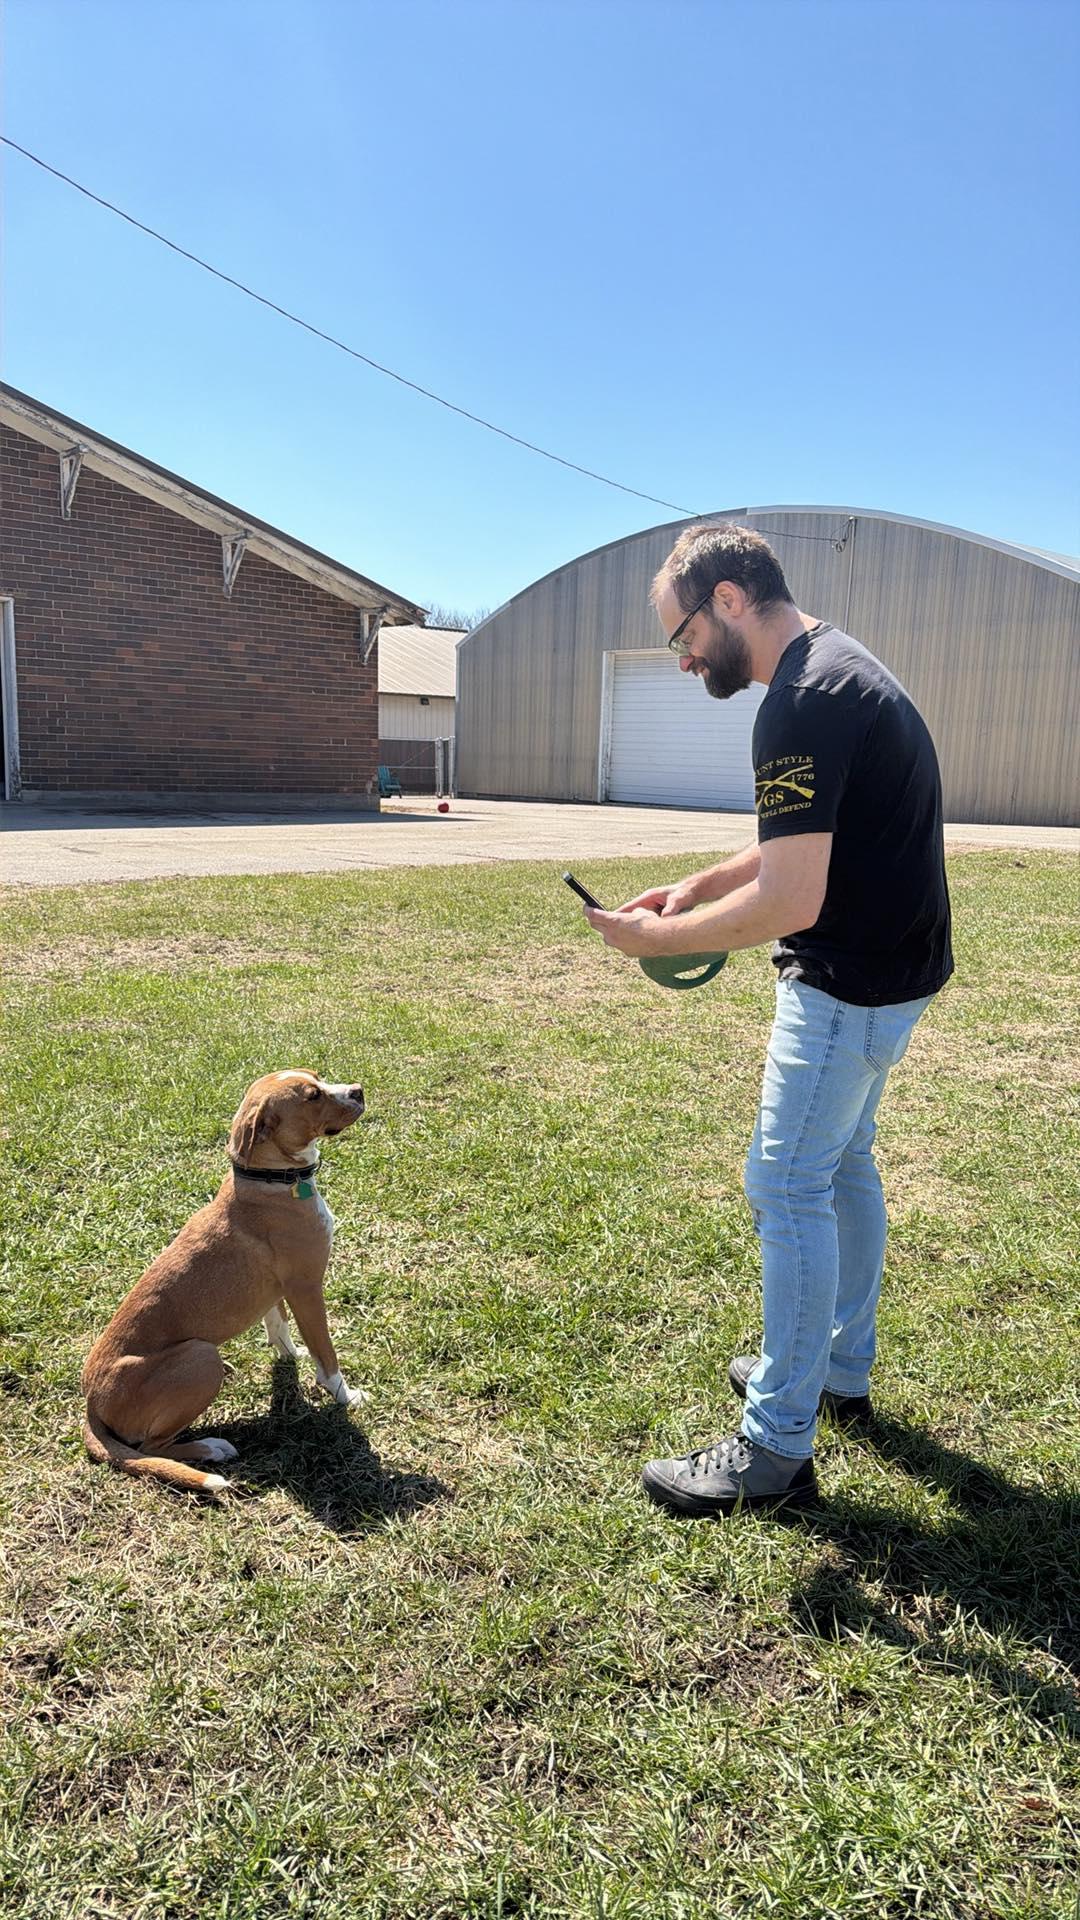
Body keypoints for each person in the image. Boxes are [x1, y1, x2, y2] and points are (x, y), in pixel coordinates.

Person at [582, 523, 953, 1518]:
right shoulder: (839, 669)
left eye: (684, 633)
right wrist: (694, 885)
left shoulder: (799, 702)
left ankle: (776, 1449)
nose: (686, 656)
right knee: (841, 1167)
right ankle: (837, 1367)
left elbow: (792, 898)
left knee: (785, 1185)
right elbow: (802, 837)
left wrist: (651, 943)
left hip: (846, 983)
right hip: (896, 976)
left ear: (732, 597)